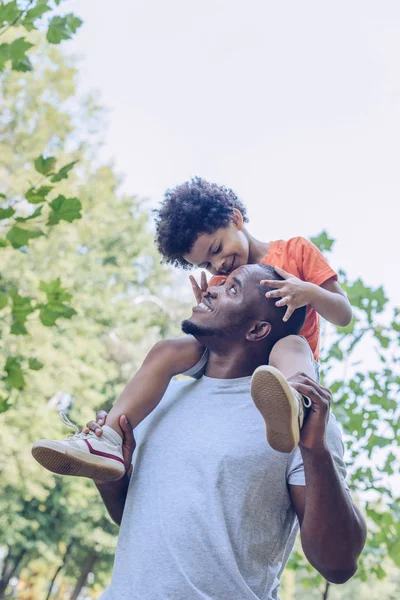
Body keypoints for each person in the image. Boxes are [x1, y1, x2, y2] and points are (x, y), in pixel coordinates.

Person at [32, 178, 352, 479]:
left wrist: (309, 292)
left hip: (287, 365)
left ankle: (294, 406)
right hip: (238, 364)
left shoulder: (295, 251)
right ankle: (109, 439)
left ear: (236, 219)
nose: (218, 267)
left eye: (215, 249)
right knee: (168, 349)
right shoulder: (219, 281)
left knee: (292, 344)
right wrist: (206, 314)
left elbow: (343, 313)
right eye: (206, 265)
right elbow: (213, 345)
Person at [87, 263, 365, 599]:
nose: (211, 288)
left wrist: (316, 451)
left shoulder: (301, 417)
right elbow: (141, 526)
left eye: (232, 288)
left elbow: (338, 565)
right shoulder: (162, 398)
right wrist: (110, 478)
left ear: (257, 330)